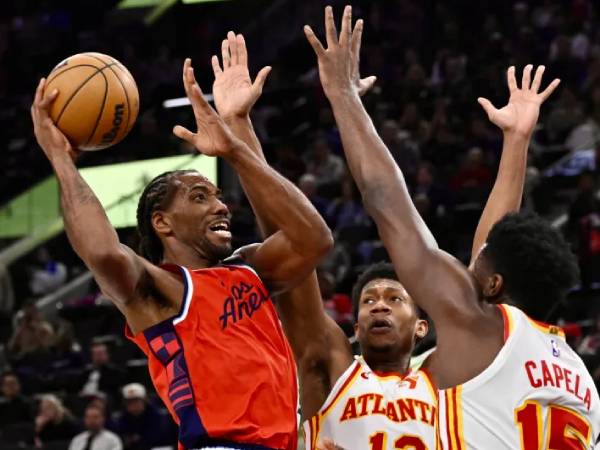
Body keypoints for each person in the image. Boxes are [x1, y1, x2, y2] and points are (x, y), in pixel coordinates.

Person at [305, 5, 600, 448]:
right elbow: (498, 243)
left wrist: (343, 97)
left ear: (494, 284)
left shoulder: (478, 328)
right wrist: (516, 143)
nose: (468, 265)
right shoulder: (576, 374)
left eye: (477, 264)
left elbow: (388, 204)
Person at [30, 39, 333, 450]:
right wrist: (61, 160)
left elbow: (314, 238)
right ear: (162, 223)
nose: (221, 206)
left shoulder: (251, 269)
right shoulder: (160, 293)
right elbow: (103, 253)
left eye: (217, 196)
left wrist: (235, 143)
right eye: (199, 197)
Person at [113, 383, 171, 450]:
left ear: (144, 401)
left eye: (136, 400)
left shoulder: (158, 417)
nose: (133, 404)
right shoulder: (120, 419)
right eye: (129, 401)